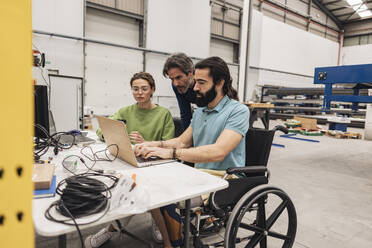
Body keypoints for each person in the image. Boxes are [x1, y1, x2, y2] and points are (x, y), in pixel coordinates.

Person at [135, 56, 250, 244]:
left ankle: (172, 241)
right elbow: (182, 142)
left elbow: (219, 151)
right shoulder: (200, 111)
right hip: (200, 174)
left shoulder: (238, 111)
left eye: (202, 83)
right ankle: (170, 241)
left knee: (165, 194)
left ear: (220, 83)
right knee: (150, 184)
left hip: (224, 178)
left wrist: (171, 153)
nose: (195, 88)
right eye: (196, 82)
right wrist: (151, 144)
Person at [85, 72, 175, 248]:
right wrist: (119, 132)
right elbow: (100, 132)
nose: (139, 93)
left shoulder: (163, 114)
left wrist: (146, 143)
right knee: (124, 188)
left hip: (156, 163)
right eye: (135, 89)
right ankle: (154, 221)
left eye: (144, 88)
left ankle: (111, 230)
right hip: (130, 161)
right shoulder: (125, 111)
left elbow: (169, 144)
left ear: (152, 90)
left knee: (133, 190)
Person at [163, 53, 197, 131]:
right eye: (172, 79)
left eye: (179, 77)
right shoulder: (176, 86)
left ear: (190, 73)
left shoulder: (203, 84)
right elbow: (185, 113)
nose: (175, 83)